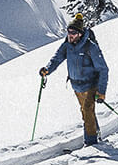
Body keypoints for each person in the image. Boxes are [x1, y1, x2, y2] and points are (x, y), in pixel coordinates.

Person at [39, 13, 110, 145]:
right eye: (68, 32)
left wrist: (101, 92)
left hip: (90, 85)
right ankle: (96, 133)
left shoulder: (90, 47)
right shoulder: (67, 46)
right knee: (86, 112)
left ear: (80, 34)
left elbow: (103, 69)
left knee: (87, 111)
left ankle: (91, 142)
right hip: (76, 86)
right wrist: (47, 70)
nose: (70, 35)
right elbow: (56, 59)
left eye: (73, 33)